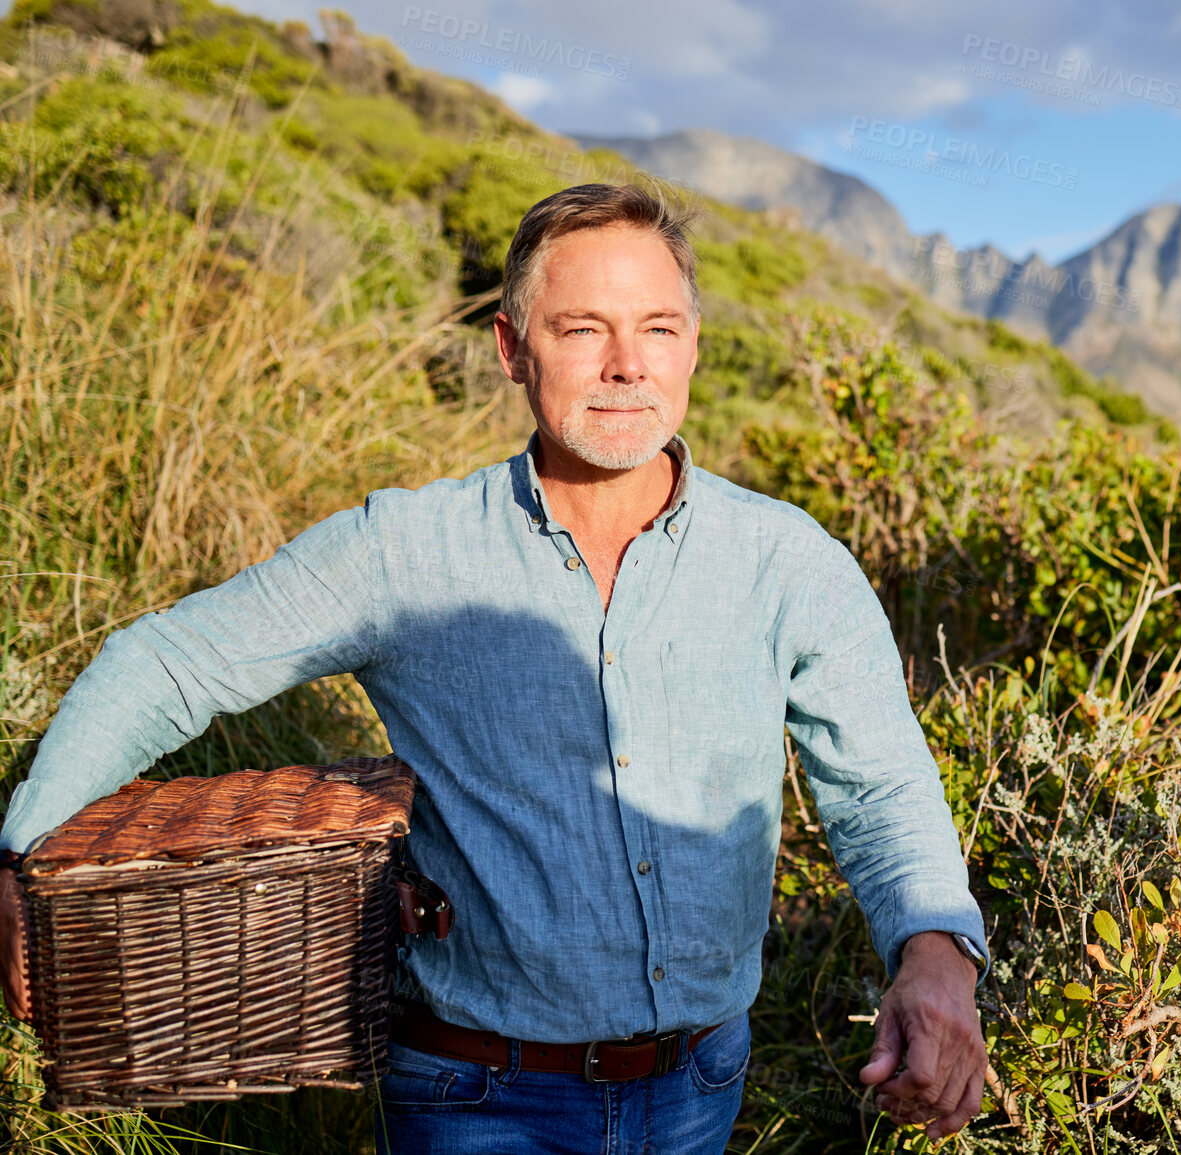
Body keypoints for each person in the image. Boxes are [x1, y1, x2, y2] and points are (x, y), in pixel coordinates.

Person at [0, 182, 990, 1152]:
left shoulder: (786, 559)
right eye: (581, 330)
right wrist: (23, 851)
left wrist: (936, 956)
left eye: (656, 328)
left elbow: (881, 784)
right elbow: (172, 660)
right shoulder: (406, 552)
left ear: (693, 346)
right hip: (474, 1098)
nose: (624, 366)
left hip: (700, 1089)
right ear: (513, 351)